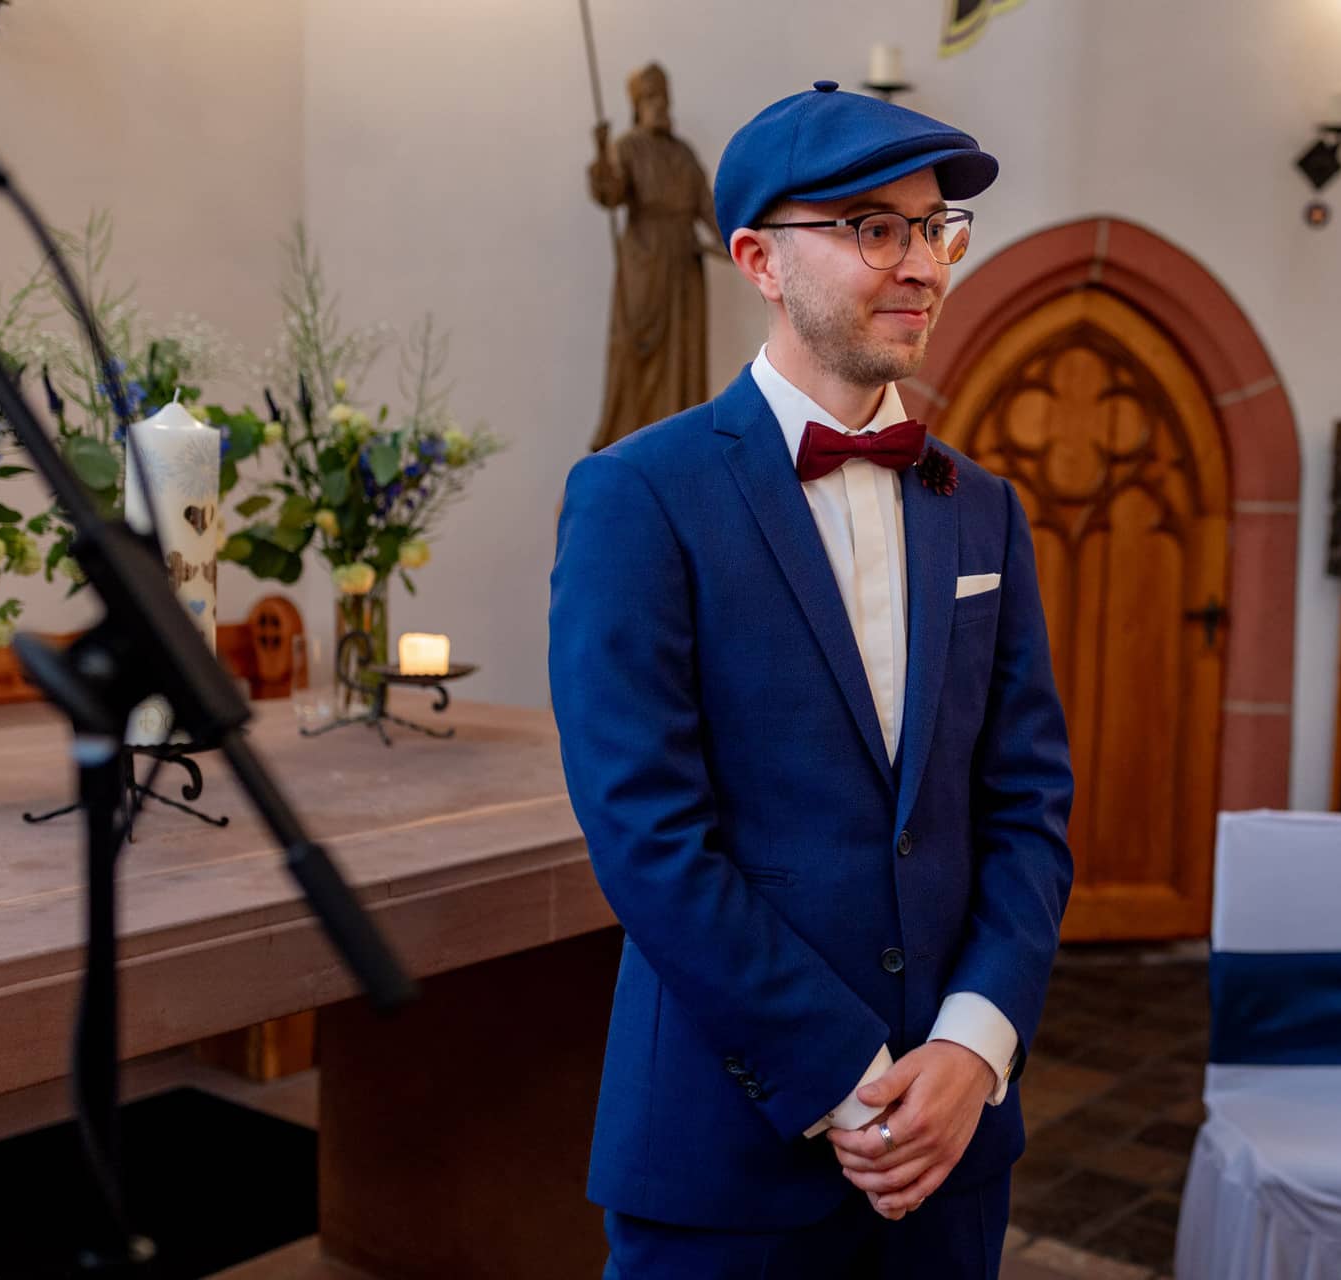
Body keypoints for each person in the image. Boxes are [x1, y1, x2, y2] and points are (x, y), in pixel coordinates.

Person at [549, 79, 1074, 1278]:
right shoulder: (639, 497)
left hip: (954, 1151)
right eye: (872, 228)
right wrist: (849, 1076)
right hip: (725, 1147)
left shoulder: (983, 509)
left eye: (936, 229)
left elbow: (1028, 807)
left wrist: (974, 1046)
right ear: (758, 259)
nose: (922, 265)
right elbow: (647, 837)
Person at [585, 62, 722, 452]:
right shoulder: (627, 147)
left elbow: (707, 208)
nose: (659, 106)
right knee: (634, 350)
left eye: (663, 98)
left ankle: (679, 446)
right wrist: (600, 151)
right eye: (650, 99)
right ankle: (624, 444)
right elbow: (610, 195)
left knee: (683, 355)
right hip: (643, 266)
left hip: (683, 267)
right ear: (637, 105)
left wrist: (742, 245)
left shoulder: (682, 153)